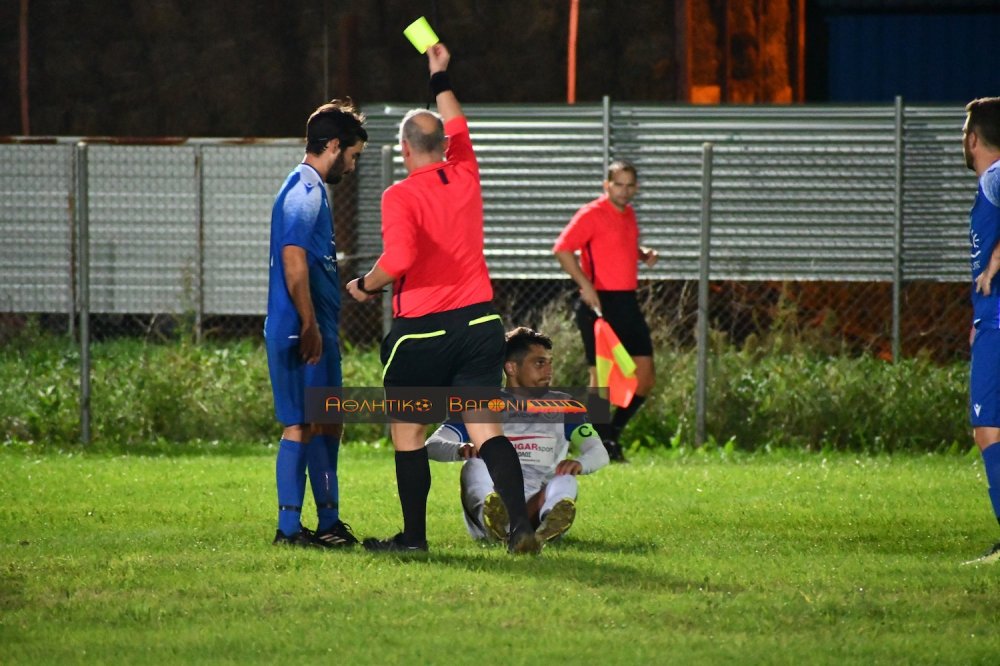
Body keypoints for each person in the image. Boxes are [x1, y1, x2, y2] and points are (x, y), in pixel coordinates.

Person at [346, 43, 541, 555]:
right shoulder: (467, 173)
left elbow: (400, 258)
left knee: (408, 433)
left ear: (406, 150)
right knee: (487, 429)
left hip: (425, 330)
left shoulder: (399, 195)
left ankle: (414, 540)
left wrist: (365, 285)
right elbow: (457, 123)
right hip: (481, 324)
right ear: (444, 145)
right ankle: (520, 525)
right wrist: (439, 74)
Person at [264, 99, 367, 548]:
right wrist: (309, 323)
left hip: (308, 327)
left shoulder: (307, 188)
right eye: (354, 154)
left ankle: (317, 525)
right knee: (309, 424)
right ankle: (302, 528)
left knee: (321, 422)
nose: (354, 164)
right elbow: (293, 260)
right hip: (301, 330)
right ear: (332, 146)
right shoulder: (303, 191)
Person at [425, 327, 609, 544]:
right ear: (511, 367)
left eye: (550, 362)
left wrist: (579, 463)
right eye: (540, 363)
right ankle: (492, 521)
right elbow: (431, 445)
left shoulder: (565, 407)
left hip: (537, 505)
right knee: (474, 465)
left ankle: (550, 523)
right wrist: (460, 449)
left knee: (566, 477)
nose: (549, 370)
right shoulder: (480, 406)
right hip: (497, 496)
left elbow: (599, 452)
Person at [553, 160, 658, 463]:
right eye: (618, 184)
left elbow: (620, 246)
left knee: (645, 376)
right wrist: (585, 285)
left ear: (635, 188)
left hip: (627, 302)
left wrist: (644, 254)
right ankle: (602, 441)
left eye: (629, 185)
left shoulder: (629, 214)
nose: (624, 191)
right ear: (607, 185)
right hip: (598, 305)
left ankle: (611, 432)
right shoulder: (592, 213)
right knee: (600, 377)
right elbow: (562, 248)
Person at [961, 97, 1000, 565]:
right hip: (988, 322)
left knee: (988, 428)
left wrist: (994, 261)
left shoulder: (993, 176)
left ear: (973, 138)